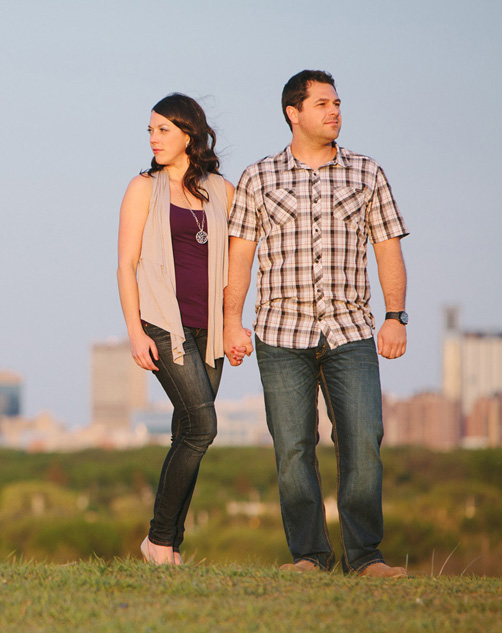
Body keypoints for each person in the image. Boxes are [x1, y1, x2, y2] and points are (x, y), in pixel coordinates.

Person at [224, 70, 410, 578]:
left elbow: (388, 247)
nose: (334, 111)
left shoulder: (368, 173)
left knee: (364, 441)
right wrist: (230, 323)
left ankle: (366, 557)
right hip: (280, 334)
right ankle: (309, 556)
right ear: (294, 112)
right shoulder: (258, 177)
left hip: (351, 331)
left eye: (337, 103)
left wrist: (395, 317)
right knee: (292, 449)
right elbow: (240, 257)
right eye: (323, 103)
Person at [117, 93, 235, 565]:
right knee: (203, 426)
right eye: (150, 130)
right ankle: (159, 540)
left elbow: (237, 264)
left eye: (163, 129)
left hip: (212, 330)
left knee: (186, 432)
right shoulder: (142, 187)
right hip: (163, 324)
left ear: (189, 134)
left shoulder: (221, 190)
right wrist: (134, 332)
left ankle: (169, 546)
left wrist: (234, 324)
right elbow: (125, 265)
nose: (153, 138)